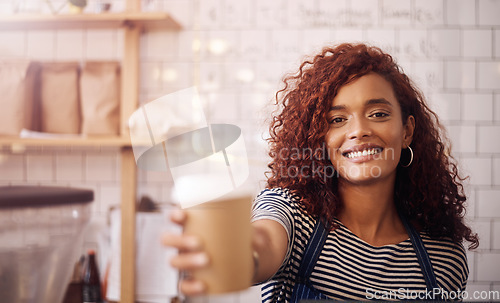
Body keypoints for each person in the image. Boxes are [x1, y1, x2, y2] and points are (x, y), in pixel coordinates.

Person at [162, 43, 478, 302]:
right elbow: (264, 242)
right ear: (319, 139)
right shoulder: (294, 215)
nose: (358, 131)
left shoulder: (443, 259)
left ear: (407, 130)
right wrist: (239, 257)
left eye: (378, 113)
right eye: (337, 120)